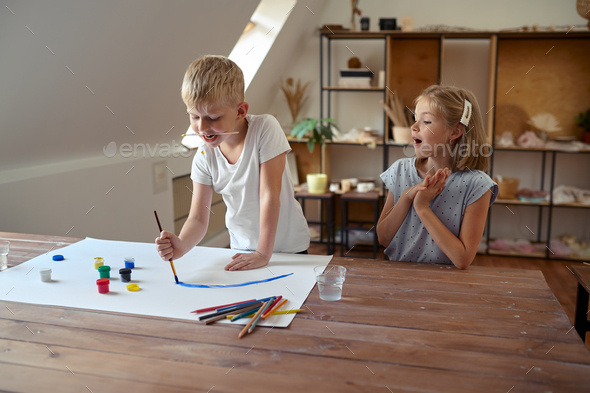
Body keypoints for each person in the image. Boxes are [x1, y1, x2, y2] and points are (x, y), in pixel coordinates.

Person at [156, 55, 309, 271]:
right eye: (194, 116)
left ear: (240, 111)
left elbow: (269, 197)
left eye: (213, 117)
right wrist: (181, 245)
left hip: (287, 250)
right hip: (243, 250)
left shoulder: (265, 128)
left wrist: (263, 253)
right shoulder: (203, 155)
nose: (202, 127)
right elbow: (198, 219)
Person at [376, 85, 498, 269]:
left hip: (446, 285)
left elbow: (462, 259)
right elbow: (383, 238)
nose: (414, 127)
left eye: (426, 121)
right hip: (397, 280)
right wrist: (406, 198)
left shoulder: (477, 185)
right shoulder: (400, 170)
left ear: (455, 132)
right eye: (415, 119)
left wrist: (422, 207)